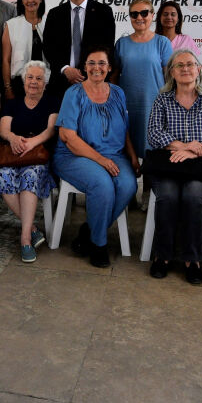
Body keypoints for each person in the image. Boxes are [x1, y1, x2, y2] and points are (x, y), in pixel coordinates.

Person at [53, 47, 140, 268]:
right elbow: (68, 137)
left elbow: (125, 130)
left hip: (114, 154)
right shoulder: (73, 93)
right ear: (84, 67)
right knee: (102, 185)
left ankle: (89, 230)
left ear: (109, 68)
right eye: (91, 63)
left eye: (102, 63)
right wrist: (101, 161)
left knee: (128, 185)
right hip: (74, 155)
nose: (96, 68)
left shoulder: (118, 93)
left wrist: (132, 156)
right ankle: (98, 245)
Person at [145, 49, 202, 283]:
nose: (185, 69)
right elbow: (153, 133)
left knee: (194, 196)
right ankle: (162, 256)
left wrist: (191, 152)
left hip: (200, 169)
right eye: (179, 65)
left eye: (190, 64)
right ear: (172, 72)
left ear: (198, 69)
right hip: (169, 165)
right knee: (167, 196)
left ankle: (193, 260)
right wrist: (181, 146)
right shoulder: (162, 99)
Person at [0, 61, 59, 263]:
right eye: (30, 77)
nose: (34, 82)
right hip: (12, 155)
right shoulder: (12, 104)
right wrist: (13, 138)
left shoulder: (52, 102)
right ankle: (31, 229)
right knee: (3, 176)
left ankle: (25, 239)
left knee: (30, 176)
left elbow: (51, 129)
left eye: (39, 78)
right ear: (23, 81)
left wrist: (32, 142)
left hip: (37, 155)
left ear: (45, 83)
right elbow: (3, 130)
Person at [42, 0, 116, 98]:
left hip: (94, 81)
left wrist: (88, 70)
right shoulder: (54, 14)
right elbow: (48, 47)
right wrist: (65, 69)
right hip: (61, 83)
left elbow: (107, 47)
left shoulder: (104, 12)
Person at [113, 0, 172, 156]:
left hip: (154, 105)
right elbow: (114, 76)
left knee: (152, 154)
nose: (139, 17)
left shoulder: (162, 42)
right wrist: (114, 101)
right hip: (127, 105)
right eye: (134, 14)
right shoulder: (121, 43)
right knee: (128, 151)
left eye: (144, 13)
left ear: (152, 15)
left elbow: (169, 77)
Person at [1, 0, 49, 101]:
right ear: (21, 1)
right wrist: (8, 88)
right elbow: (6, 60)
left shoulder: (50, 22)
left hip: (46, 83)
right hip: (19, 84)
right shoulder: (11, 25)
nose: (30, 0)